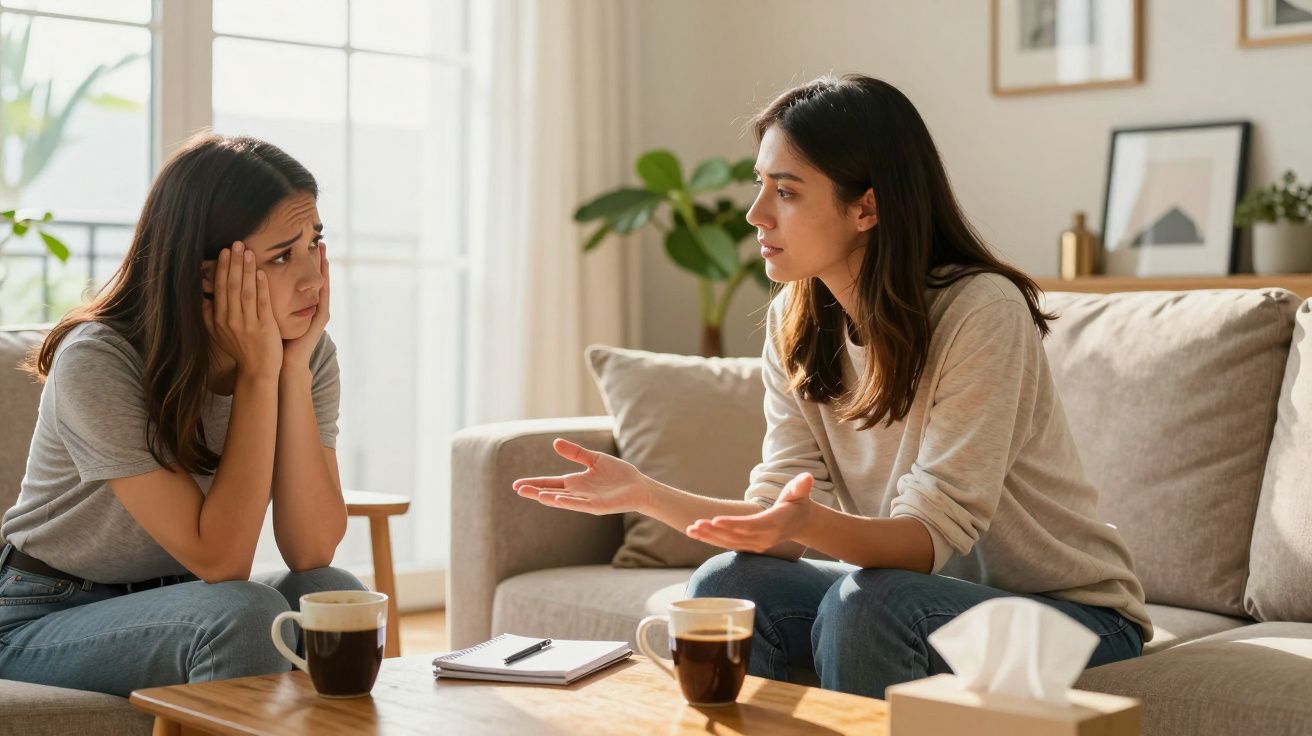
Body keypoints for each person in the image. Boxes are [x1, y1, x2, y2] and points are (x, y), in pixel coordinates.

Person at [512, 74, 1150, 698]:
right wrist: (643, 493)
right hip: (918, 599)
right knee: (726, 583)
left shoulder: (981, 309)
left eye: (785, 191)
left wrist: (809, 523)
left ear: (866, 206)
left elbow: (927, 538)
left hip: (1072, 616)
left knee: (867, 604)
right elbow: (776, 525)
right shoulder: (796, 320)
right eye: (761, 185)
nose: (755, 213)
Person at [0, 134, 364, 697]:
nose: (314, 276)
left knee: (331, 591)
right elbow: (222, 561)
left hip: (176, 597)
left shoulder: (305, 353)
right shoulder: (99, 360)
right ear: (206, 273)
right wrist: (259, 375)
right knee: (241, 613)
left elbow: (311, 549)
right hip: (41, 613)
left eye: (315, 242)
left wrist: (289, 371)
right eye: (281, 255)